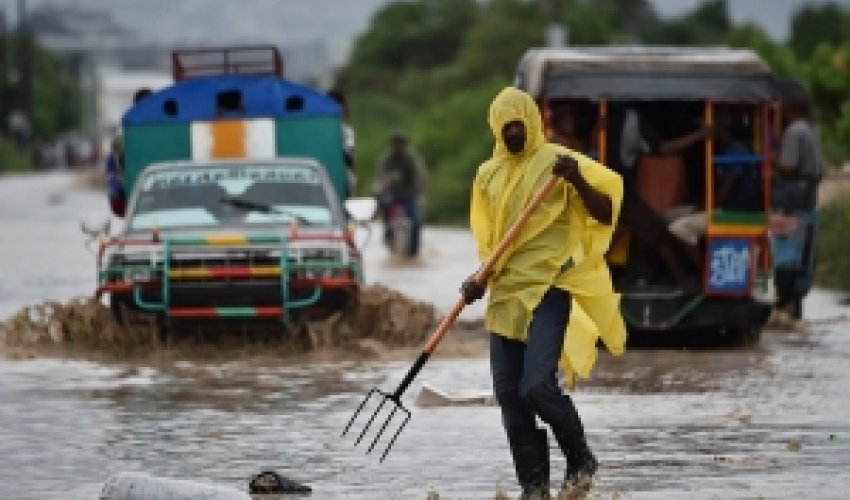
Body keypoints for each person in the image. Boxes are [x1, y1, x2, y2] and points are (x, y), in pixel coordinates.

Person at [461, 86, 626, 499]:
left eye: (520, 125)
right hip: (504, 295)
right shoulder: (487, 175)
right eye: (506, 127)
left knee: (536, 385)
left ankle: (580, 458)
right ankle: (534, 486)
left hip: (549, 287)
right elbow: (490, 240)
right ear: (497, 129)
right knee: (508, 395)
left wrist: (578, 182)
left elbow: (605, 211)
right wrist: (478, 278)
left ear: (533, 122)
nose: (514, 133)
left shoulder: (557, 163)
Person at [608, 106, 713, 285]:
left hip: (615, 191)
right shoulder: (629, 120)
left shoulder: (612, 120)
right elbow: (662, 148)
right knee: (657, 235)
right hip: (616, 191)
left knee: (647, 230)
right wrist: (700, 135)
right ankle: (684, 281)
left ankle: (649, 275)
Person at [668, 111, 761, 265]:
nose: (702, 130)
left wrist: (703, 206)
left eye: (705, 126)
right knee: (668, 215)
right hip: (722, 205)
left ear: (718, 126)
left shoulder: (735, 150)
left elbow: (725, 191)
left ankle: (705, 272)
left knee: (680, 228)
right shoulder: (723, 148)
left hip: (733, 210)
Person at [373, 131, 427, 257]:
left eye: (401, 143)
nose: (398, 146)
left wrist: (421, 194)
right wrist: (379, 189)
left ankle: (413, 250)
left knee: (417, 220)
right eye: (396, 143)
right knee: (385, 204)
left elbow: (420, 176)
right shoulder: (387, 159)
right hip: (393, 192)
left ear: (405, 145)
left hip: (409, 193)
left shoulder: (412, 159)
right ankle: (388, 234)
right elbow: (381, 176)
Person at [772, 89, 822, 214]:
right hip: (809, 188)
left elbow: (788, 167)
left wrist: (773, 162)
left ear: (788, 107)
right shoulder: (811, 128)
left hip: (795, 190)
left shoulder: (794, 131)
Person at [328, 89, 357, 198]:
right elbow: (349, 158)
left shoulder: (346, 131)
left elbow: (349, 157)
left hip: (342, 180)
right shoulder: (346, 131)